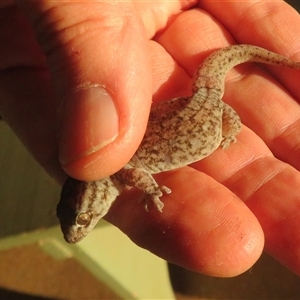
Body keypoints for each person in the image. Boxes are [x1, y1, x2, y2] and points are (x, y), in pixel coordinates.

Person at [1, 1, 300, 277]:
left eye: (83, 219)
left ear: (96, 200)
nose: (80, 229)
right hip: (196, 108)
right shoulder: (119, 167)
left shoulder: (126, 171)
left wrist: (153, 191)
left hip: (205, 110)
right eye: (80, 221)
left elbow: (144, 180)